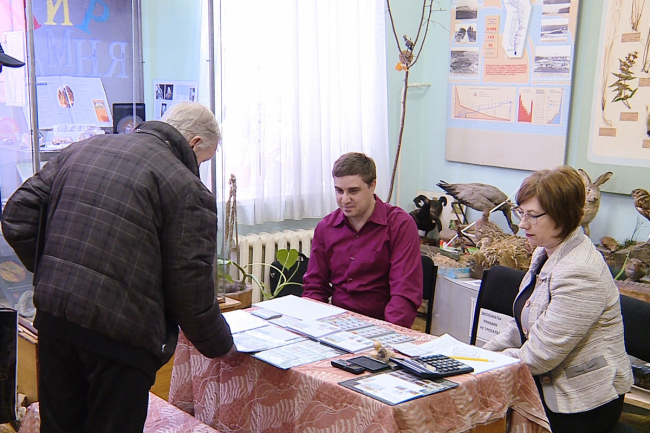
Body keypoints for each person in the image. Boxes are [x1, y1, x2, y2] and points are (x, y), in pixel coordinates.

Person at [1, 102, 236, 433]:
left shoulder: (83, 149)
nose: (198, 168)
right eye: (203, 160)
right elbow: (191, 291)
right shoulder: (187, 189)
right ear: (194, 143)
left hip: (56, 322)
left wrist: (57, 271)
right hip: (123, 341)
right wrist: (221, 346)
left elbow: (17, 216)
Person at [482, 166, 632, 433]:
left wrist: (489, 365)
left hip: (579, 402)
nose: (522, 224)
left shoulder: (580, 270)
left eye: (532, 215)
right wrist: (479, 355)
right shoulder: (546, 250)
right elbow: (522, 325)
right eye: (521, 212)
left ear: (562, 216)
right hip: (546, 383)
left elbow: (540, 356)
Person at [302, 152, 423, 328]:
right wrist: (313, 326)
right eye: (339, 191)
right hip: (336, 323)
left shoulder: (400, 225)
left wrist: (388, 333)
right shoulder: (326, 227)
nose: (345, 200)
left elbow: (404, 293)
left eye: (353, 191)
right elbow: (315, 286)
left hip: (382, 325)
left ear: (372, 185)